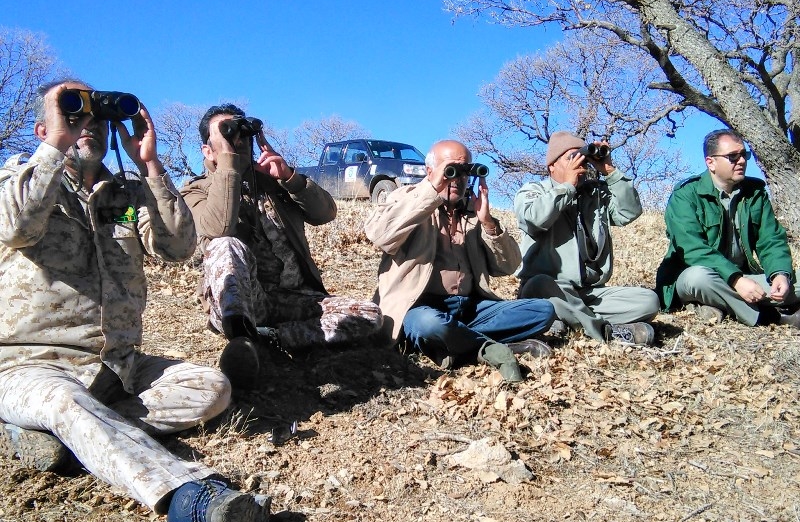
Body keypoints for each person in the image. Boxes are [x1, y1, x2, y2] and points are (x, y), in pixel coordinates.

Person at [0, 79, 271, 522]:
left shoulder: (124, 195)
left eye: (96, 115)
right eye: (72, 110)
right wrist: (56, 146)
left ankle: (70, 439)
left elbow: (178, 246)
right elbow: (16, 226)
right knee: (66, 403)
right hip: (30, 366)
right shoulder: (17, 180)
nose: (88, 122)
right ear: (45, 128)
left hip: (116, 366)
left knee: (211, 389)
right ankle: (195, 499)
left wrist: (149, 163)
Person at [181, 104, 383, 390]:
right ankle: (241, 336)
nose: (237, 140)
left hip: (294, 297)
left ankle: (268, 339)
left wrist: (289, 177)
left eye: (241, 133)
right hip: (245, 300)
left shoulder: (271, 181)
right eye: (226, 134)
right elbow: (218, 228)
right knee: (225, 244)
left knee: (368, 314)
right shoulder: (195, 192)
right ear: (207, 151)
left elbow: (325, 213)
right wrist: (229, 165)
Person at [364, 139, 556, 383]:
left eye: (464, 171)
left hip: (470, 308)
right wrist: (430, 192)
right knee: (430, 324)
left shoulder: (472, 210)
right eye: (450, 170)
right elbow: (381, 235)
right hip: (419, 307)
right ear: (430, 171)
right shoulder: (406, 199)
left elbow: (508, 266)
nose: (457, 178)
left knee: (543, 311)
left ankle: (456, 341)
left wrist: (488, 222)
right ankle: (486, 348)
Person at [514, 131, 660, 345]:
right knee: (541, 284)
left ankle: (567, 319)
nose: (580, 162)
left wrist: (609, 171)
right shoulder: (534, 190)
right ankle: (607, 332)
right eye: (570, 157)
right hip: (548, 290)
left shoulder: (595, 194)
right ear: (552, 166)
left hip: (589, 293)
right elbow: (533, 218)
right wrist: (567, 188)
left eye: (583, 156)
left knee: (648, 301)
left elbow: (629, 212)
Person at [656, 128, 799, 327]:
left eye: (744, 155)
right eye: (732, 156)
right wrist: (736, 280)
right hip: (696, 277)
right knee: (698, 277)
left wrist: (780, 274)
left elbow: (771, 239)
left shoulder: (755, 192)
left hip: (742, 277)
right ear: (711, 162)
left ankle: (721, 305)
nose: (741, 161)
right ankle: (772, 316)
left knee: (792, 280)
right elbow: (692, 248)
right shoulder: (686, 194)